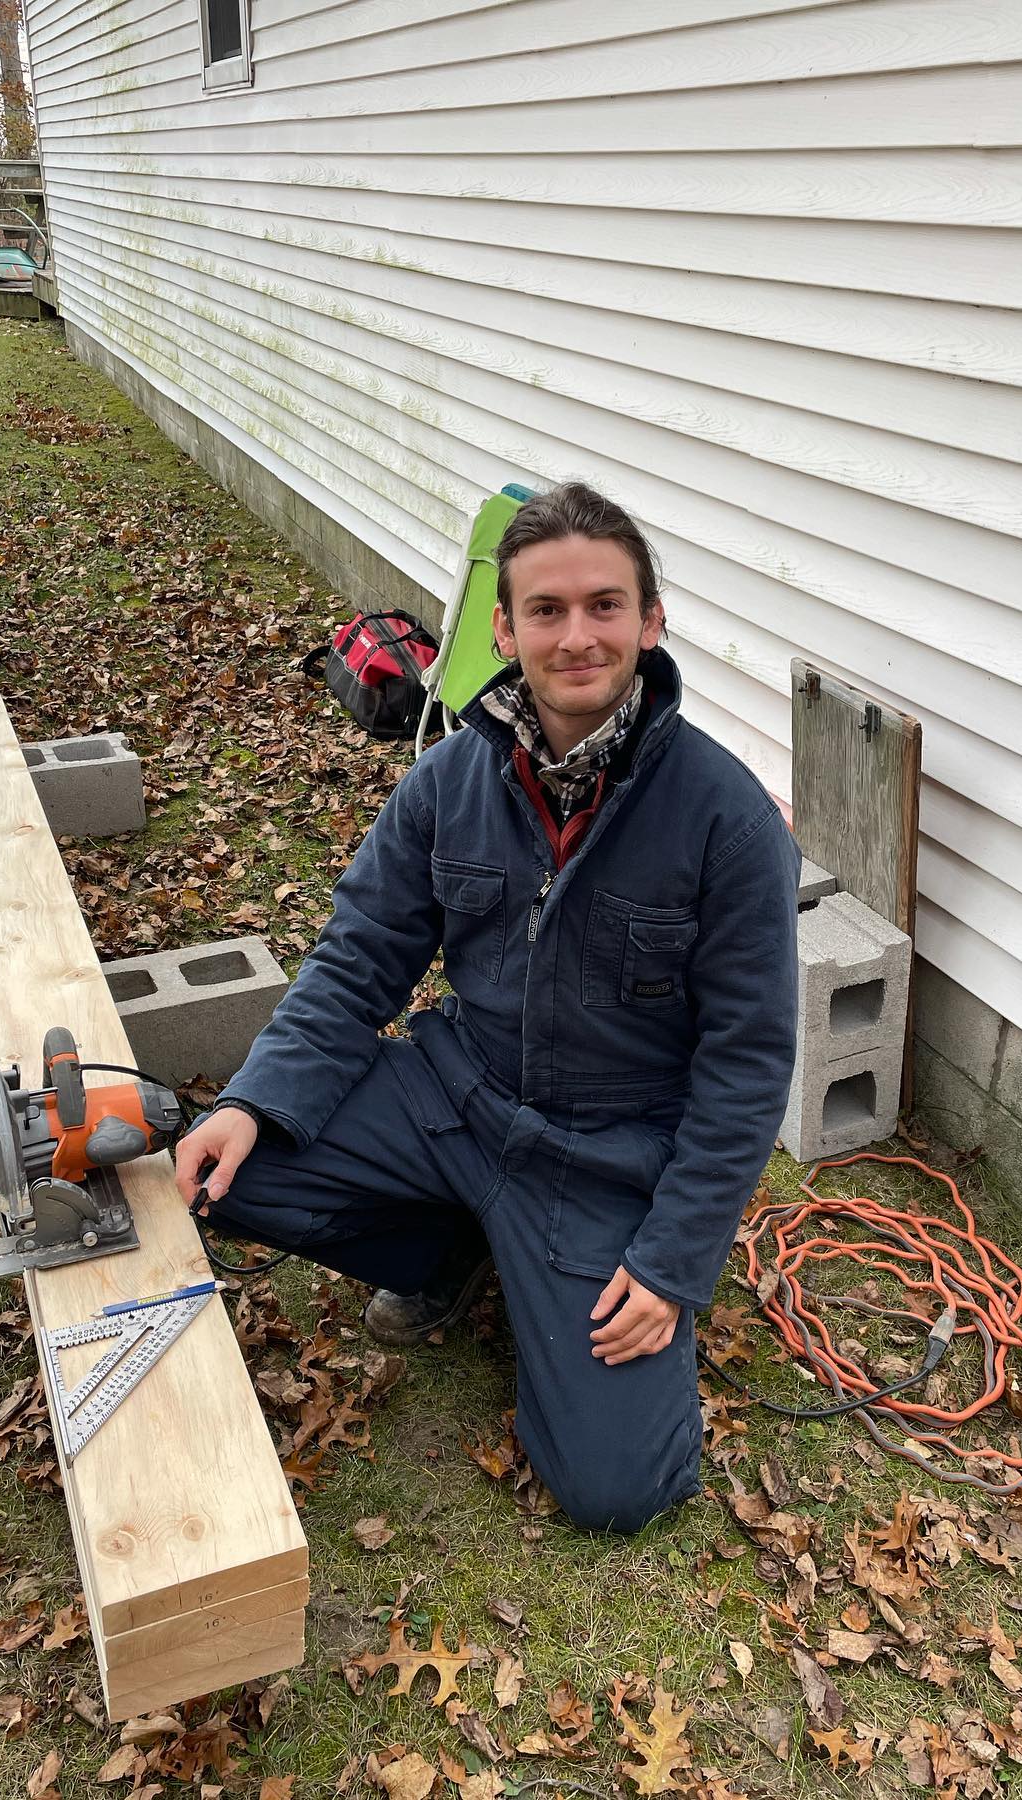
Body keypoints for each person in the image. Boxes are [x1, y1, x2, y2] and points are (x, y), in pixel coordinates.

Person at [174, 482, 801, 1532]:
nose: (577, 636)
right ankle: (455, 1254)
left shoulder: (727, 820)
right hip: (456, 1096)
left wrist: (673, 1261)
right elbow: (357, 962)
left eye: (606, 606)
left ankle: (548, 1264)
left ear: (651, 621)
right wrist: (249, 1100)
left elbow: (746, 1066)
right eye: (545, 611)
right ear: (503, 629)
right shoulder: (444, 785)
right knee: (226, 1171)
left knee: (617, 1491)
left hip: (605, 1151)